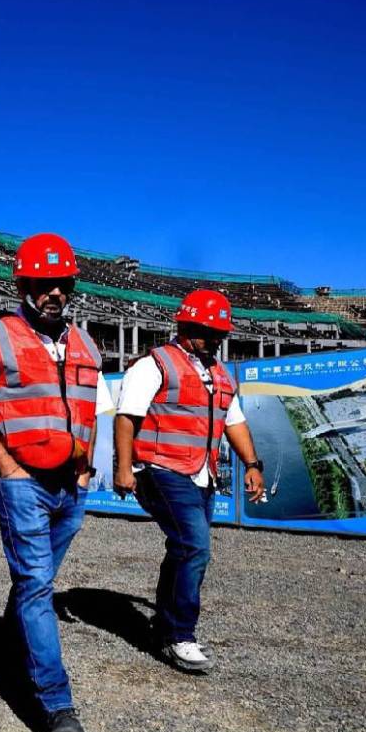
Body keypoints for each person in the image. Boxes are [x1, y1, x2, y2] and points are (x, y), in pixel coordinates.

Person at [0, 233, 111, 732]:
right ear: (24, 285)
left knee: (33, 583)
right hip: (21, 480)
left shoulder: (86, 344)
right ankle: (55, 704)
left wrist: (86, 469)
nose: (53, 292)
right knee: (38, 583)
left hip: (70, 484)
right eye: (42, 284)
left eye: (60, 283)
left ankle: (5, 655)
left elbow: (92, 411)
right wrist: (5, 466)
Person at [114, 289, 265, 674]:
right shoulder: (154, 365)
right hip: (162, 469)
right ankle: (181, 634)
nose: (214, 339)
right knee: (195, 546)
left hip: (202, 473)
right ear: (185, 326)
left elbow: (235, 422)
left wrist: (252, 464)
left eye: (219, 333)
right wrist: (124, 468)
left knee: (182, 548)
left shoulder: (220, 374)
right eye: (205, 331)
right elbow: (127, 416)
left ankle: (164, 626)